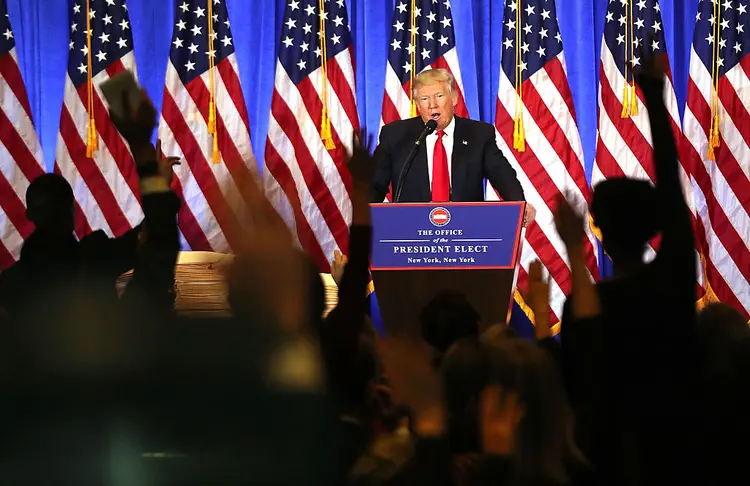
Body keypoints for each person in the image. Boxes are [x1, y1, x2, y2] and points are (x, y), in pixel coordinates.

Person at [371, 68, 535, 224]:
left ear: (454, 98)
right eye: (424, 99)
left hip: (465, 229)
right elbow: (375, 184)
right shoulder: (395, 135)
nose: (432, 105)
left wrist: (519, 205)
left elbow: (503, 176)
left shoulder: (478, 134)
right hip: (411, 229)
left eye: (439, 96)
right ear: (418, 105)